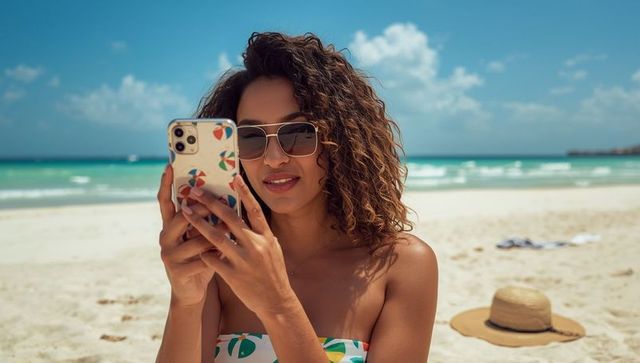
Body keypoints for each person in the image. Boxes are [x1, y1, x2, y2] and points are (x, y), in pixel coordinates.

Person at [155, 31, 438, 363]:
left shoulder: (402, 267)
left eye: (298, 132)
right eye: (249, 137)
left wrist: (278, 306)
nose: (273, 157)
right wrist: (185, 302)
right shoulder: (221, 259)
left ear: (340, 140)